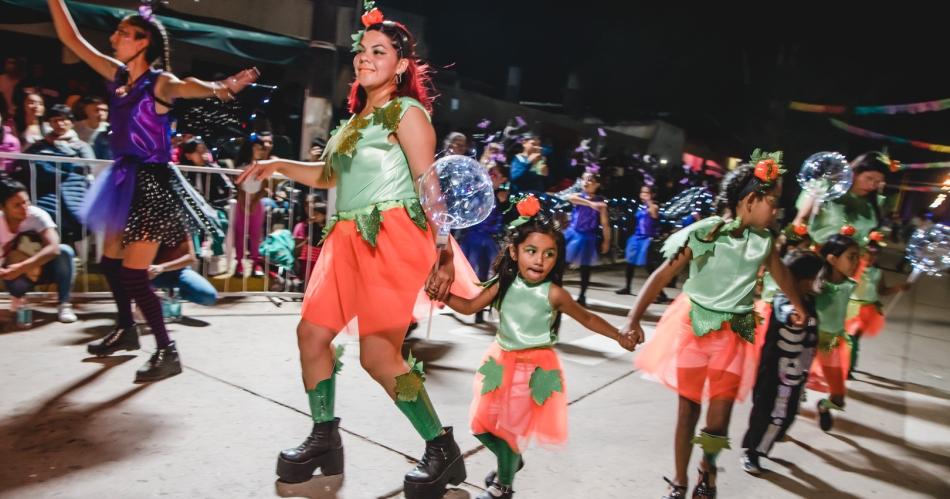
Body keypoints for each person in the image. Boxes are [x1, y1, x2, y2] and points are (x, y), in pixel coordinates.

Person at [237, 8, 481, 496]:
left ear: (401, 65)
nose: (365, 59)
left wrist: (442, 251)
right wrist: (278, 164)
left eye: (378, 52)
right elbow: (329, 175)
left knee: (378, 356)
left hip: (389, 238)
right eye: (361, 51)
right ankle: (324, 437)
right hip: (346, 240)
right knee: (311, 335)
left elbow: (428, 183)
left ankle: (441, 448)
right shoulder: (355, 121)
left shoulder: (408, 113)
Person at [46, 0, 257, 382]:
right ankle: (127, 329)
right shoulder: (116, 74)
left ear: (144, 42)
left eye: (123, 33)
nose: (114, 38)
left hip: (152, 186)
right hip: (123, 178)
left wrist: (222, 87)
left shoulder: (160, 82)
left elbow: (190, 87)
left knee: (133, 274)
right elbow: (71, 38)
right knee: (110, 263)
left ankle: (167, 350)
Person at [622, 152, 807, 499]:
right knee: (688, 410)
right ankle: (679, 480)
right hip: (694, 328)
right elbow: (663, 275)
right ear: (749, 200)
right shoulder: (706, 232)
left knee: (719, 420)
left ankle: (707, 468)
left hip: (734, 335)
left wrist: (798, 305)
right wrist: (633, 319)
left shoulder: (764, 242)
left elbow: (781, 273)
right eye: (772, 202)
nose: (776, 211)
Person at [436, 196, 637, 499]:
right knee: (480, 425)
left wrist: (619, 335)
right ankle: (510, 460)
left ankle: (503, 487)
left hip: (533, 370)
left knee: (509, 430)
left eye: (549, 254)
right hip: (499, 362)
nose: (540, 260)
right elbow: (468, 307)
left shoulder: (553, 293)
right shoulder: (503, 284)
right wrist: (443, 295)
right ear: (514, 252)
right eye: (531, 251)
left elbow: (587, 318)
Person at [740, 250, 823, 475]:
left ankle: (765, 443)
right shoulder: (784, 300)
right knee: (768, 412)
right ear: (805, 280)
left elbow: (811, 327)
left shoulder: (809, 301)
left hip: (796, 374)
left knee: (786, 414)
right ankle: (752, 452)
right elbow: (788, 313)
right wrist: (795, 317)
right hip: (774, 374)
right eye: (818, 277)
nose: (821, 282)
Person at [0, 178, 77, 323]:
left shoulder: (37, 215)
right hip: (13, 273)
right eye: (17, 205)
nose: (24, 208)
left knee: (65, 251)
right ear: (3, 208)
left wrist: (22, 267)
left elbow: (54, 247)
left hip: (43, 267)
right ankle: (18, 298)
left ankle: (64, 304)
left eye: (26, 202)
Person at [806, 232, 860, 432]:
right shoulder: (816, 285)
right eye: (851, 257)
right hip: (810, 341)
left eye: (857, 257)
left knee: (838, 397)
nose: (856, 262)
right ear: (832, 259)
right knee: (792, 383)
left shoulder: (849, 285)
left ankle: (823, 407)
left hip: (832, 344)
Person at [845, 232, 911, 377]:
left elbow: (882, 291)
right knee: (851, 338)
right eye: (867, 254)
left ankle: (849, 366)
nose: (870, 257)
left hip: (868, 309)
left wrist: (899, 288)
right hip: (851, 308)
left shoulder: (877, 273)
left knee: (854, 339)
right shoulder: (853, 268)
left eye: (874, 255)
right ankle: (848, 366)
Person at [563, 171, 610, 306]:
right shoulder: (579, 196)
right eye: (584, 179)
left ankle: (582, 295)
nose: (586, 182)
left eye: (590, 180)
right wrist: (590, 203)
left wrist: (607, 241)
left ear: (597, 184)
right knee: (561, 262)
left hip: (587, 237)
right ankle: (555, 289)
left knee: (585, 267)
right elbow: (571, 198)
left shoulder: (601, 203)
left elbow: (605, 224)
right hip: (572, 234)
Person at [616, 185, 659, 297]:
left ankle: (660, 293)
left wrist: (649, 201)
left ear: (652, 195)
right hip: (636, 238)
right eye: (642, 192)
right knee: (630, 263)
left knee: (649, 267)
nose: (643, 194)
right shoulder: (642, 207)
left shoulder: (653, 206)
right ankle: (627, 287)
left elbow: (654, 216)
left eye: (646, 192)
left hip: (646, 239)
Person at [149, 238, 218, 307]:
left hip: (178, 272)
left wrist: (162, 267)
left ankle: (175, 294)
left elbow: (191, 258)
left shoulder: (182, 232)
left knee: (209, 297)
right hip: (150, 274)